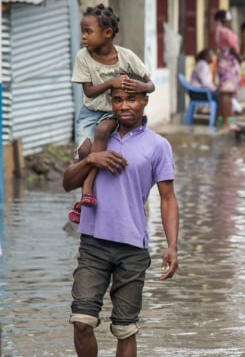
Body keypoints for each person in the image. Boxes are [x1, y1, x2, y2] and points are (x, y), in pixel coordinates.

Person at [62, 72, 179, 357]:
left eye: (131, 99)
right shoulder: (98, 138)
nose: (124, 105)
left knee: (125, 329)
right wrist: (91, 159)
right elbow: (67, 183)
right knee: (81, 321)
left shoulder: (158, 146)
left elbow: (167, 198)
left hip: (132, 249)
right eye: (117, 100)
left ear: (144, 101)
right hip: (93, 244)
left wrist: (172, 246)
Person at [70, 4, 155, 223]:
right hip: (89, 112)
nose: (84, 37)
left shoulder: (126, 56)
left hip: (110, 113)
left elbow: (150, 84)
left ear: (107, 34)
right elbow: (88, 91)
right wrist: (111, 82)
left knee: (103, 130)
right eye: (83, 32)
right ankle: (85, 198)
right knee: (84, 152)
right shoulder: (83, 57)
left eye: (89, 32)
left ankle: (87, 190)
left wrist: (139, 88)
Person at [213, 10, 241, 131]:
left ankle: (221, 120)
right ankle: (225, 122)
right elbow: (233, 47)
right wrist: (240, 58)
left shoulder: (219, 31)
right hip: (227, 64)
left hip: (224, 63)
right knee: (226, 92)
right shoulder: (225, 32)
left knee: (226, 93)